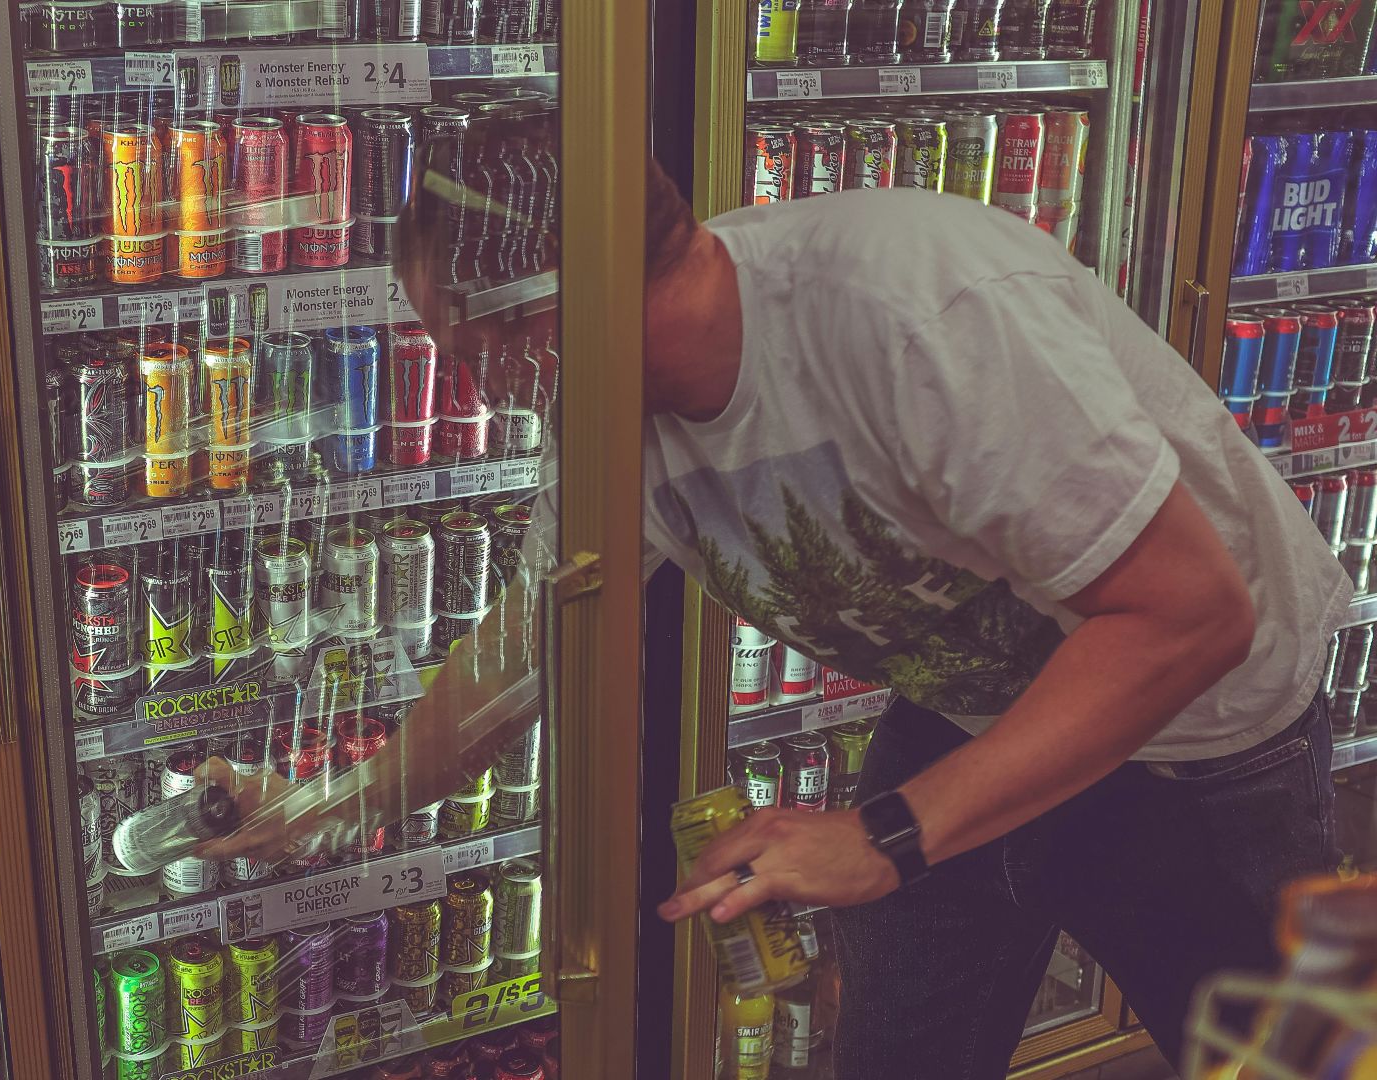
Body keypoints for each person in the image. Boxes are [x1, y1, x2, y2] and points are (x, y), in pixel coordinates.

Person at [200, 151, 1347, 1077]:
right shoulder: (613, 407)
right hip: (972, 709)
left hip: (1198, 736)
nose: (472, 389)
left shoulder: (913, 313)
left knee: (1265, 1052)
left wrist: (886, 837)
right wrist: (327, 807)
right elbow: (527, 650)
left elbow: (1192, 618)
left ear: (548, 309)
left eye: (473, 349)